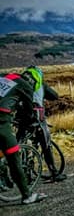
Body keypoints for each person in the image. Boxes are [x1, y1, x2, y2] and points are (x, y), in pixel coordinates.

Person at [0, 70, 48, 204]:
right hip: (1, 122)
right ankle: (27, 195)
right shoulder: (25, 86)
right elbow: (29, 111)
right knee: (13, 157)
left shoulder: (3, 76)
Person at [22, 66, 65, 182]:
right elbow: (55, 96)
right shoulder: (41, 84)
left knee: (20, 142)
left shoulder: (22, 83)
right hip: (37, 118)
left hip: (21, 117)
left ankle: (25, 173)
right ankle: (54, 173)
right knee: (45, 144)